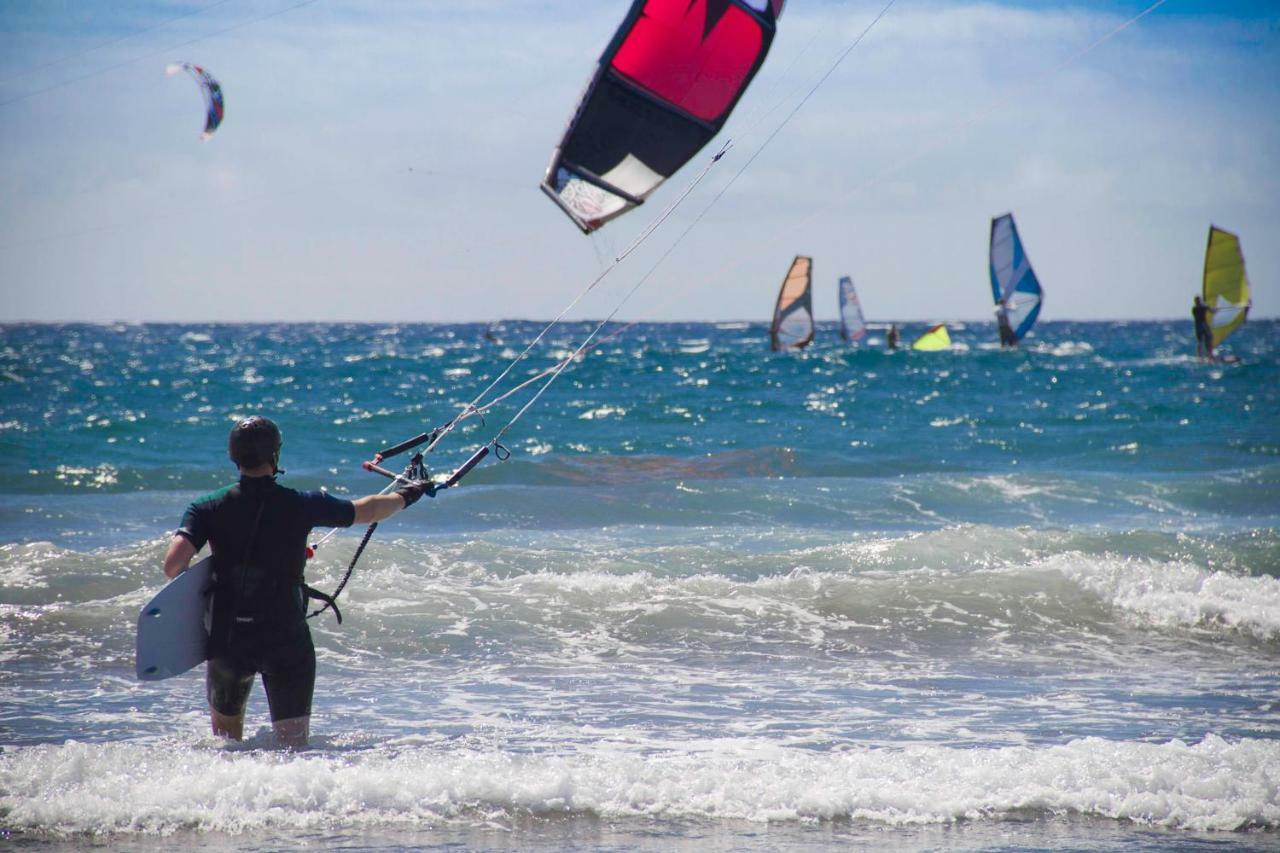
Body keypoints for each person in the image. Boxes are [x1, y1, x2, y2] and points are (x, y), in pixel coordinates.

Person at [161, 415, 430, 748]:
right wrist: (409, 494)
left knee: (226, 749)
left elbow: (173, 565)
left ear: (234, 457)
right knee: (293, 749)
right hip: (285, 637)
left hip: (229, 641)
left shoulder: (206, 508)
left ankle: (229, 799)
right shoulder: (301, 503)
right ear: (275, 455)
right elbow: (368, 510)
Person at [1192, 295, 1214, 361]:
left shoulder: (1195, 308)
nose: (1198, 301)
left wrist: (1210, 308)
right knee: (1208, 339)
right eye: (1198, 300)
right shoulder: (1196, 308)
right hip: (1202, 325)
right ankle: (1209, 355)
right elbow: (1210, 310)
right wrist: (1212, 309)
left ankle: (1200, 356)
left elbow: (1207, 309)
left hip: (1197, 326)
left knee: (1200, 341)